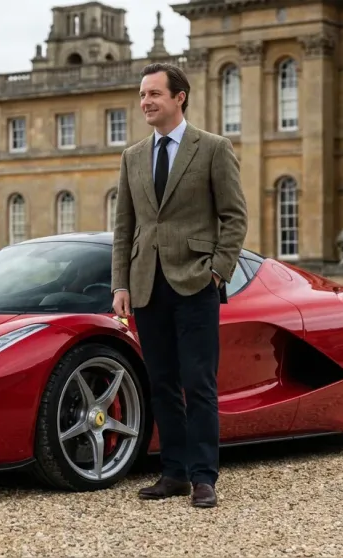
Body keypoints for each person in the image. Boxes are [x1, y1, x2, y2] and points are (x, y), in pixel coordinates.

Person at [110, 62, 248, 508]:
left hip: (195, 282)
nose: (145, 102)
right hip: (146, 285)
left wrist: (217, 270)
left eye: (154, 94)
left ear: (179, 97)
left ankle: (204, 476)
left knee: (199, 383)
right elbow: (124, 228)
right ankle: (173, 474)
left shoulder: (212, 148)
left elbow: (234, 216)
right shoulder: (132, 156)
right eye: (142, 95)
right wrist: (120, 284)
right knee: (162, 383)